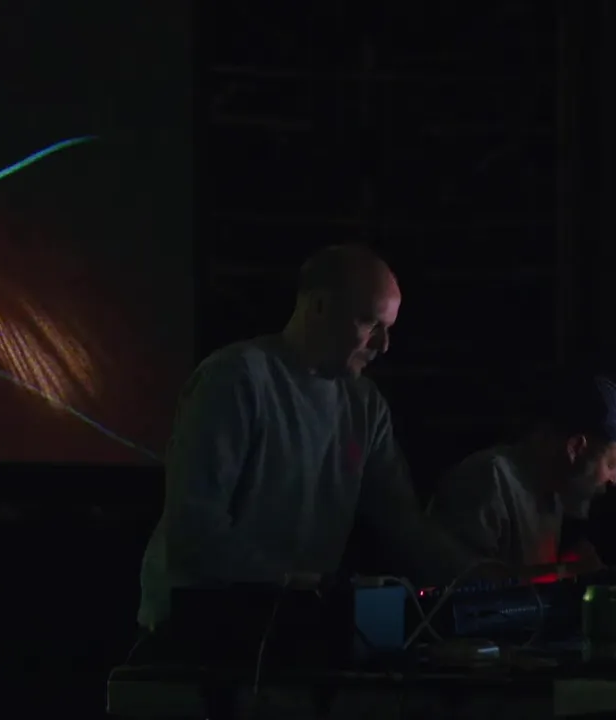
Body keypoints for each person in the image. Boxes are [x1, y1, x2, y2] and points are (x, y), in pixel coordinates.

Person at [135, 245, 461, 648]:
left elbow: (403, 522)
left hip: (288, 628)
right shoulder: (236, 378)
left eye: (389, 328)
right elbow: (194, 531)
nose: (383, 344)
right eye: (371, 324)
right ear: (319, 306)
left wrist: (477, 574)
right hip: (195, 634)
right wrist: (299, 583)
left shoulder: (364, 405)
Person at [427, 375, 616, 580]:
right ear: (575, 448)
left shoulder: (554, 493)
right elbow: (460, 585)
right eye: (612, 465)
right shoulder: (486, 481)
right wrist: (566, 572)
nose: (614, 479)